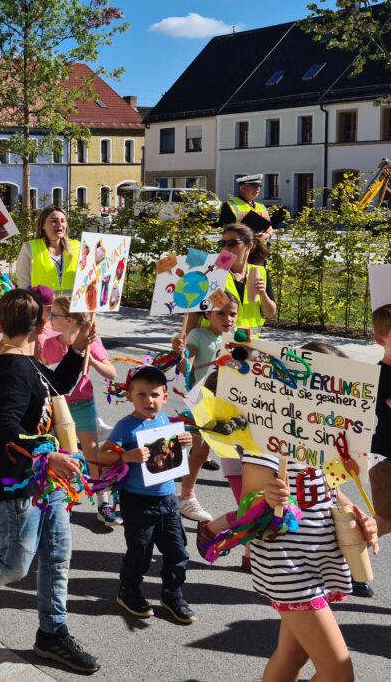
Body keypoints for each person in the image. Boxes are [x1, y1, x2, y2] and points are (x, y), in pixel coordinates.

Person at [0, 288, 100, 676]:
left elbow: (56, 387)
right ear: (42, 327)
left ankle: (52, 634)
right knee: (16, 562)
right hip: (17, 480)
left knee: (57, 555)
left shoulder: (29, 363)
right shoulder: (11, 368)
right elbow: (4, 429)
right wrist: (49, 455)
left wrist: (78, 348)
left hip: (47, 478)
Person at [241, 443, 376, 681]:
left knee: (293, 653)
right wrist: (267, 499)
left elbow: (328, 488)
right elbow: (247, 508)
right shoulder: (265, 436)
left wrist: (358, 513)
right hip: (289, 566)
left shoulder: (319, 429)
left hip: (319, 560)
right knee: (338, 675)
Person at [96, 366, 197, 624]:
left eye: (154, 395)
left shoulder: (166, 422)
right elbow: (102, 455)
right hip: (137, 501)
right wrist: (126, 456)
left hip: (167, 500)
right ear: (129, 396)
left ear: (165, 397)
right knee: (139, 553)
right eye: (141, 394)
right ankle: (128, 590)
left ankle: (172, 593)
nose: (148, 401)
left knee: (178, 552)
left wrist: (185, 442)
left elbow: (172, 457)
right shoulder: (125, 426)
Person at [45, 296, 119, 527]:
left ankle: (103, 502)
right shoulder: (50, 343)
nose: (49, 319)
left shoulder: (91, 342)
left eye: (53, 315)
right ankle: (61, 500)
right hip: (59, 406)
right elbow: (47, 377)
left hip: (83, 403)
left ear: (68, 320)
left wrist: (93, 360)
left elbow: (112, 373)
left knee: (93, 455)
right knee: (63, 455)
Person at [170, 295, 240, 523]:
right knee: (199, 453)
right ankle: (186, 497)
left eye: (232, 314)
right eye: (221, 313)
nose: (228, 318)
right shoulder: (198, 335)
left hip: (231, 405)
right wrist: (181, 353)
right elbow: (184, 366)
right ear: (207, 314)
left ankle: (247, 501)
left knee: (240, 455)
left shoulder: (239, 337)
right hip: (203, 403)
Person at [208, 223, 276, 335]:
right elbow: (195, 313)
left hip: (249, 344)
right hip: (216, 343)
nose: (226, 248)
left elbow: (270, 314)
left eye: (232, 243)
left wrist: (262, 294)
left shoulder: (260, 272)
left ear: (249, 245)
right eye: (222, 243)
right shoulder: (214, 272)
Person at [14, 205, 77, 295]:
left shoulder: (78, 247)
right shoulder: (29, 248)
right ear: (43, 224)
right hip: (43, 307)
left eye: (63, 221)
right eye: (54, 221)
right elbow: (23, 283)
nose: (60, 225)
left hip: (71, 306)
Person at [371, 304, 391, 539]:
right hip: (385, 458)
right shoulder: (381, 374)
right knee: (384, 520)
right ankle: (344, 557)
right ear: (380, 340)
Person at [219, 174, 272, 241]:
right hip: (241, 248)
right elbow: (227, 230)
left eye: (259, 186)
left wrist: (266, 235)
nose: (257, 189)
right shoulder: (230, 205)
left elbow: (269, 228)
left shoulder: (261, 206)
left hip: (260, 248)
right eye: (254, 186)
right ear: (243, 188)